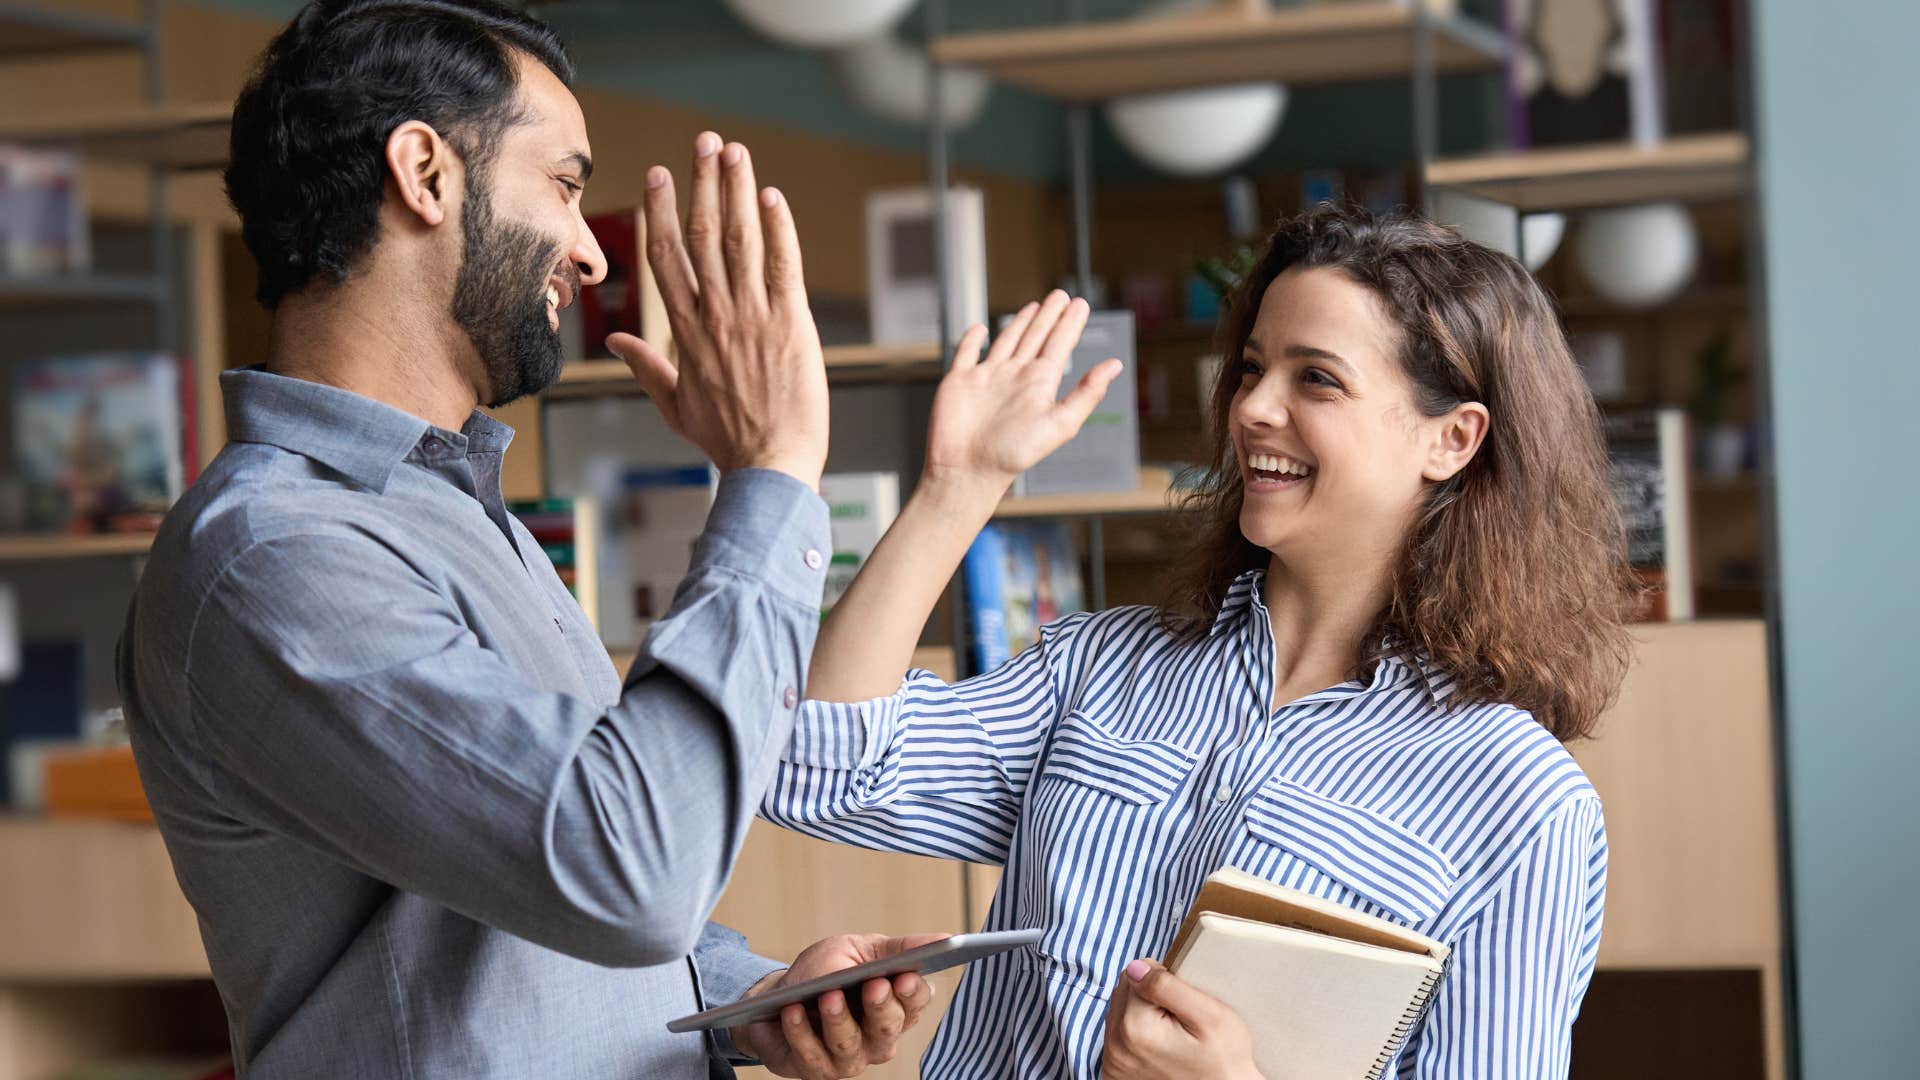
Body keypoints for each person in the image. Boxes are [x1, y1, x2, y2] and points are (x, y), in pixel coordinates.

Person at [117, 2, 939, 1077]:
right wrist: (771, 474)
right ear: (426, 174)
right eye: (562, 183)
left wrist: (749, 999)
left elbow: (531, 893)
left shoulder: (456, 512)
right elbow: (629, 869)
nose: (590, 255)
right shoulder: (271, 558)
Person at [761, 208, 1637, 1077]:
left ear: (1453, 439)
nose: (1252, 408)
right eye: (1252, 369)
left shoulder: (1522, 804)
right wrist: (959, 486)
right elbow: (814, 765)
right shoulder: (1097, 667)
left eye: (1317, 380)